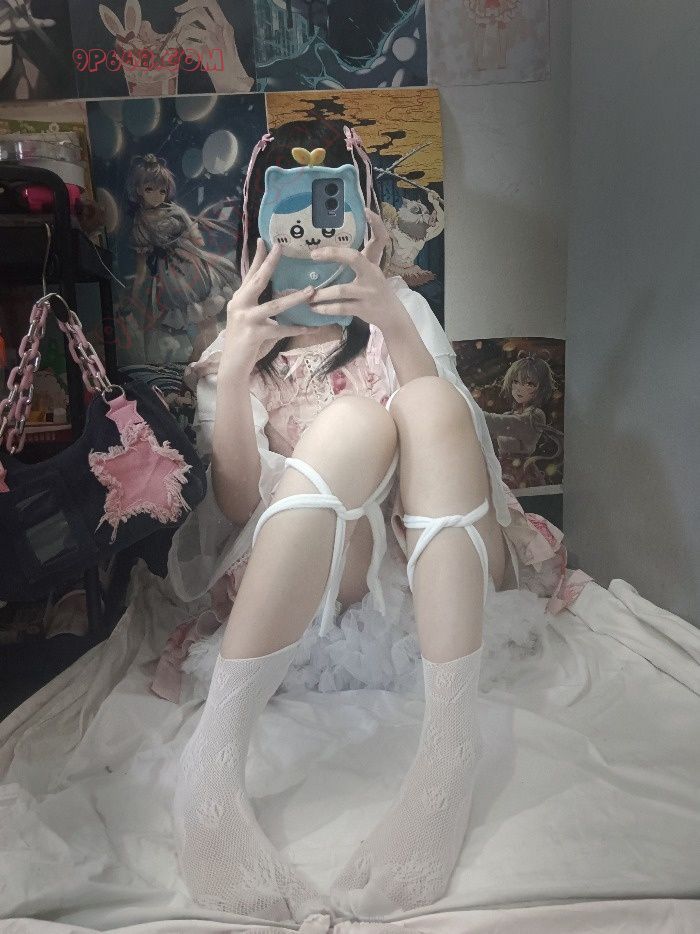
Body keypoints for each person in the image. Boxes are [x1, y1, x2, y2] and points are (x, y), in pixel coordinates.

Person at [159, 119, 591, 923]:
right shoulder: (241, 337)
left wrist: (391, 316)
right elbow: (238, 506)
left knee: (426, 404)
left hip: (430, 553)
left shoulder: (401, 310)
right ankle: (209, 775)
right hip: (321, 572)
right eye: (292, 217)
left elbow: (455, 442)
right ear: (259, 226)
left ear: (364, 218)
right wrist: (240, 356)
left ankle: (447, 758)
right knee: (352, 425)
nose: (314, 236)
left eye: (331, 211)